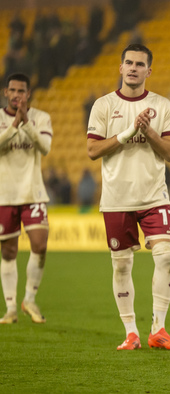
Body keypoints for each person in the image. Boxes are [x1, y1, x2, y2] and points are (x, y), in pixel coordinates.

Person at [86, 44, 170, 350]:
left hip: (154, 196)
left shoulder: (162, 105)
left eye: (139, 64)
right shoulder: (103, 105)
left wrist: (148, 132)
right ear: (120, 67)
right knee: (122, 266)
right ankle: (131, 332)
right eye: (128, 62)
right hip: (117, 198)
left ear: (148, 71)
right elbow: (92, 150)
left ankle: (159, 328)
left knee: (166, 257)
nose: (133, 68)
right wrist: (128, 133)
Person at [0, 73, 52, 324]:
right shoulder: (0, 118)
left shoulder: (42, 118)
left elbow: (45, 147)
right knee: (8, 252)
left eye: (21, 91)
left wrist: (26, 123)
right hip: (4, 194)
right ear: (5, 92)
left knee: (40, 245)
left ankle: (29, 298)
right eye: (12, 90)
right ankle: (10, 308)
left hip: (33, 192)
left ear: (28, 93)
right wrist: (14, 126)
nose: (17, 95)